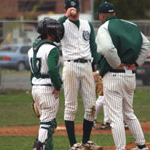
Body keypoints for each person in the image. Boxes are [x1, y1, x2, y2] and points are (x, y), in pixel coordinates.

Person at [95, 2, 150, 150]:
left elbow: (107, 48)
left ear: (101, 16)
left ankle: (120, 148)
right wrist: (137, 63)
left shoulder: (104, 27)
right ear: (114, 13)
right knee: (129, 113)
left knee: (115, 117)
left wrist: (115, 63)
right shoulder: (131, 25)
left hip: (114, 75)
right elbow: (146, 45)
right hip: (129, 75)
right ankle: (142, 146)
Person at [58, 0, 102, 150]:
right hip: (70, 65)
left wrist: (96, 69)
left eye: (76, 8)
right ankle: (73, 144)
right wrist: (65, 16)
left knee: (91, 105)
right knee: (71, 106)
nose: (74, 11)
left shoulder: (87, 24)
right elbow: (54, 30)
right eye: (71, 9)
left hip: (87, 66)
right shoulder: (62, 24)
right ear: (66, 9)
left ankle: (86, 141)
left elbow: (93, 47)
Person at [28, 18, 63, 150]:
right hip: (48, 88)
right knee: (47, 122)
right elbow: (53, 70)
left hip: (36, 87)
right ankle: (39, 147)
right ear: (49, 32)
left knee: (50, 123)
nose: (57, 32)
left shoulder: (32, 49)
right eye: (55, 29)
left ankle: (45, 147)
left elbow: (32, 73)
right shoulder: (52, 49)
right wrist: (58, 86)